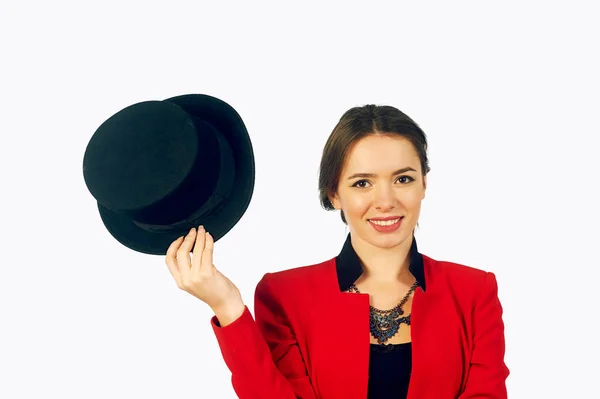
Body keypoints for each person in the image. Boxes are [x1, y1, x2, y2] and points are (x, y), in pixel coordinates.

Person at [165, 104, 510, 398]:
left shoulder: (474, 292)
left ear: (424, 184)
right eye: (362, 183)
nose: (386, 200)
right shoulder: (284, 295)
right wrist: (226, 305)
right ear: (334, 194)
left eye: (403, 178)